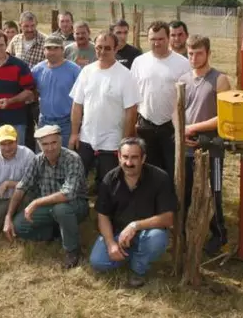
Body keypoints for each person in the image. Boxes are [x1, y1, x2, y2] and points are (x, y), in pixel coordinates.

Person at [89, 137, 177, 288]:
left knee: (157, 239)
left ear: (143, 158)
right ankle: (132, 253)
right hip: (118, 234)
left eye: (134, 157)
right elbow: (102, 215)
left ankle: (138, 268)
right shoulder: (109, 179)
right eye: (125, 157)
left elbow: (168, 219)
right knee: (98, 262)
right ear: (118, 156)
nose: (129, 163)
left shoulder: (160, 178)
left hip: (147, 233)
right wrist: (110, 243)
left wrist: (135, 225)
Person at [3, 124, 89, 269]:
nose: (50, 148)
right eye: (45, 144)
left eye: (54, 142)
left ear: (60, 141)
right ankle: (56, 232)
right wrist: (8, 217)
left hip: (75, 204)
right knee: (19, 225)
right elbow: (22, 186)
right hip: (49, 207)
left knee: (61, 209)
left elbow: (68, 194)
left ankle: (72, 250)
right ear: (40, 145)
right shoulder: (37, 160)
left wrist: (36, 203)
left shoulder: (72, 159)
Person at [179, 35, 232, 255]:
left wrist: (193, 128)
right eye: (190, 53)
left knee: (214, 191)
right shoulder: (183, 79)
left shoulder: (219, 80)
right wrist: (182, 131)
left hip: (212, 146)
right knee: (187, 190)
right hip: (187, 146)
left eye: (198, 53)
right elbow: (179, 112)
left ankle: (219, 234)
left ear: (208, 53)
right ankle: (186, 232)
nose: (193, 57)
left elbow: (225, 117)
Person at [69, 31, 141, 184]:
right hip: (86, 137)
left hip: (112, 141)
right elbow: (77, 105)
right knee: (77, 180)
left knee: (108, 183)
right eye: (99, 47)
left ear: (116, 49)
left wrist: (125, 142)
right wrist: (75, 133)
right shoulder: (87, 72)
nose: (102, 52)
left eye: (107, 48)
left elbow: (131, 112)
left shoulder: (126, 76)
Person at [130, 21, 190, 179]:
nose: (156, 43)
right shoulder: (139, 62)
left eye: (161, 39)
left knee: (172, 169)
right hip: (145, 125)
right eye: (153, 39)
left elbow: (188, 95)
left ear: (168, 38)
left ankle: (172, 202)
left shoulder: (183, 63)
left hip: (171, 127)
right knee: (148, 169)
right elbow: (132, 94)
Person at [0, 125, 36, 238]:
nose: (7, 148)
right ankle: (11, 220)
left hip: (24, 198)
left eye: (10, 143)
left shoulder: (28, 155)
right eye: (3, 144)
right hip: (2, 201)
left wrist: (10, 183)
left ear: (17, 141)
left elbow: (34, 183)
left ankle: (15, 221)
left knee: (29, 197)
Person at [31, 35, 81, 147]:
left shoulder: (74, 70)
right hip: (44, 121)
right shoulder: (37, 70)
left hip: (66, 123)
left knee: (65, 157)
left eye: (56, 48)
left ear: (62, 50)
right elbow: (29, 89)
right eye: (49, 48)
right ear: (44, 50)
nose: (52, 52)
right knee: (42, 156)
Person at [6, 11, 47, 151]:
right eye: (26, 26)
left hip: (37, 95)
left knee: (40, 129)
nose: (29, 29)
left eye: (32, 26)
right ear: (20, 25)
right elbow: (8, 61)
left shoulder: (44, 41)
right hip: (19, 95)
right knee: (23, 129)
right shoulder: (15, 40)